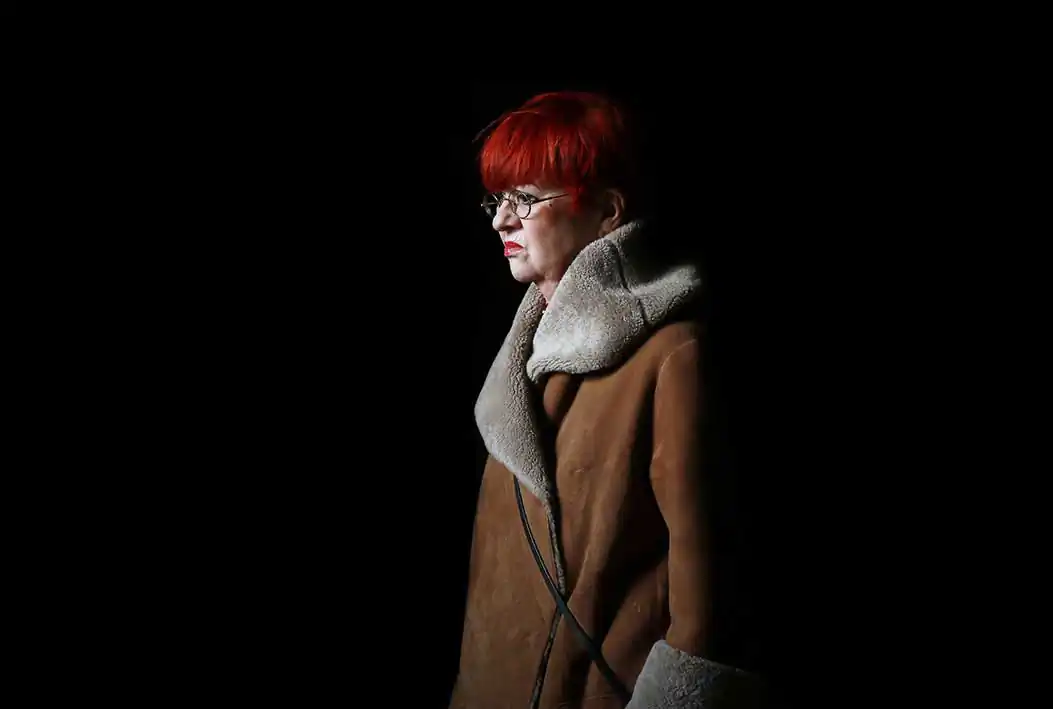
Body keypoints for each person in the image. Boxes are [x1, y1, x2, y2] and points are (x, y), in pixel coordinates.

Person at [449, 90, 762, 709]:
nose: (501, 221)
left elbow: (712, 599)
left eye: (525, 199)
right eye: (497, 200)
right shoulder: (518, 366)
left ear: (607, 211)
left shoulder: (673, 357)